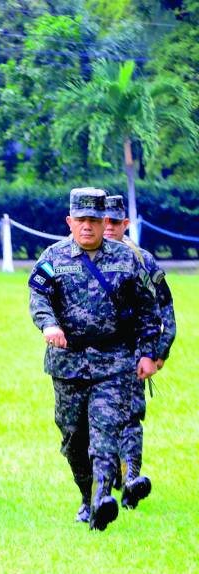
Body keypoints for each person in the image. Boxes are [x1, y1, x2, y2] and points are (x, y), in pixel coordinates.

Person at [28, 187, 160, 531]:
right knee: (74, 437)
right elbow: (38, 299)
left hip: (113, 362)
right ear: (70, 222)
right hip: (67, 363)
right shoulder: (53, 257)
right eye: (81, 220)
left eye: (94, 220)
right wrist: (49, 325)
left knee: (105, 433)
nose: (88, 226)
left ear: (106, 222)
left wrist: (148, 353)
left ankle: (103, 497)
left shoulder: (127, 259)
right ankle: (87, 495)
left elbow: (149, 309)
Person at [103, 194, 177, 509]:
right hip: (94, 353)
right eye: (102, 220)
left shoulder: (143, 260)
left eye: (114, 222)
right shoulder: (77, 255)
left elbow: (166, 308)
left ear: (125, 224)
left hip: (134, 350)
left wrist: (159, 352)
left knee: (130, 416)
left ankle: (131, 477)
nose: (107, 227)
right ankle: (111, 477)